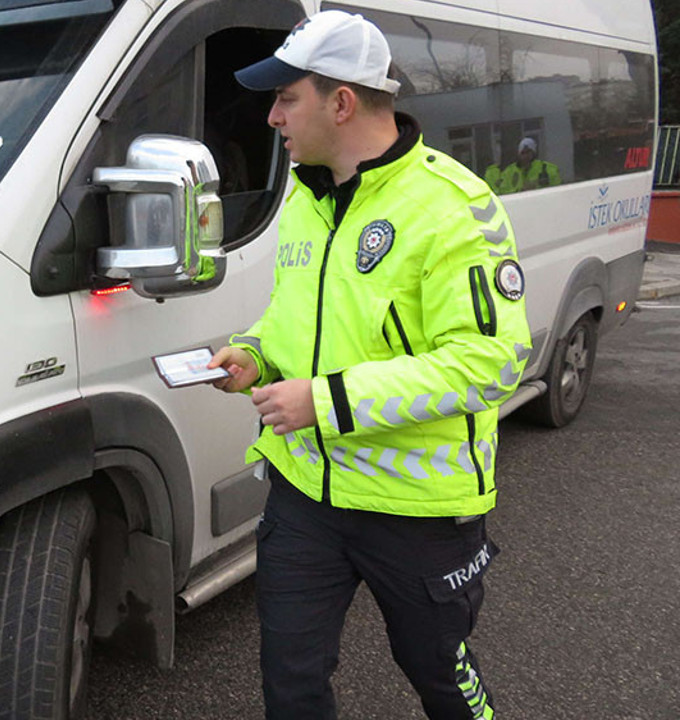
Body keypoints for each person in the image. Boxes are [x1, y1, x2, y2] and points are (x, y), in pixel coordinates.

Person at [206, 10, 530, 720]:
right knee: (290, 680)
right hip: (305, 493)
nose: (271, 118)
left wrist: (324, 402)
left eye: (286, 98)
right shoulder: (307, 197)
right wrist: (256, 355)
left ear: (342, 102)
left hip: (414, 510)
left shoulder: (453, 206)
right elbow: (296, 316)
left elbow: (490, 361)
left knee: (440, 675)